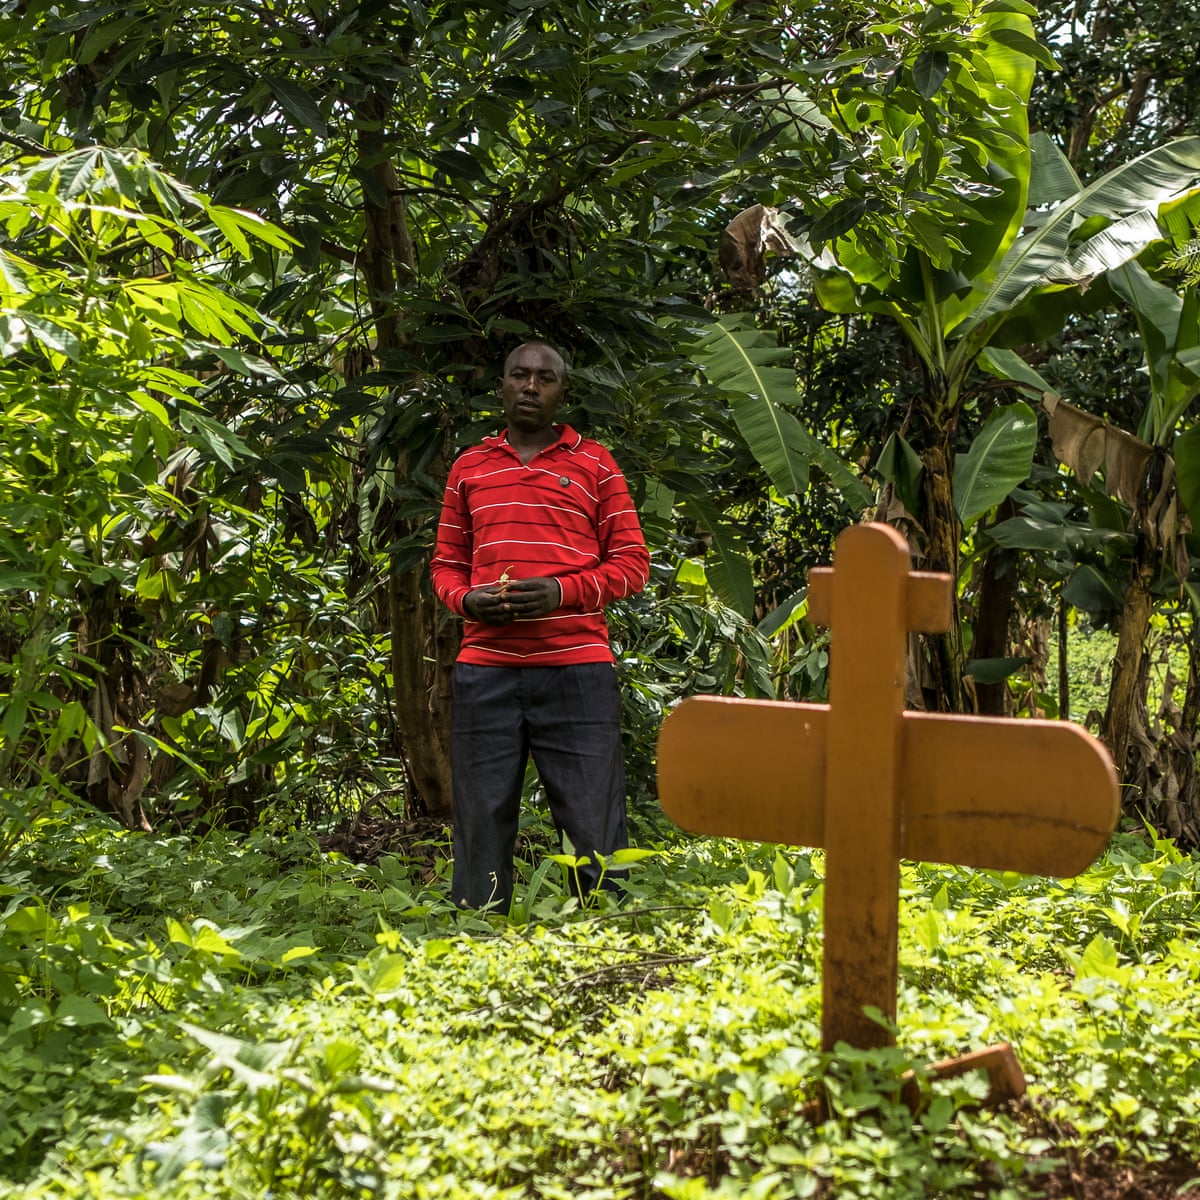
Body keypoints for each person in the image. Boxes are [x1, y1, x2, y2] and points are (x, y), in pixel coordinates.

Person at [430, 342, 651, 911]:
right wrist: (468, 600)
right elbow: (446, 565)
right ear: (501, 386)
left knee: (592, 817)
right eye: (520, 376)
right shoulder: (469, 467)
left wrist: (560, 591)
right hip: (486, 671)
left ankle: (602, 924)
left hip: (577, 670)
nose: (531, 386)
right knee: (481, 816)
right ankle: (479, 927)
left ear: (561, 392)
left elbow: (633, 564)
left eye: (545, 378)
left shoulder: (595, 464)